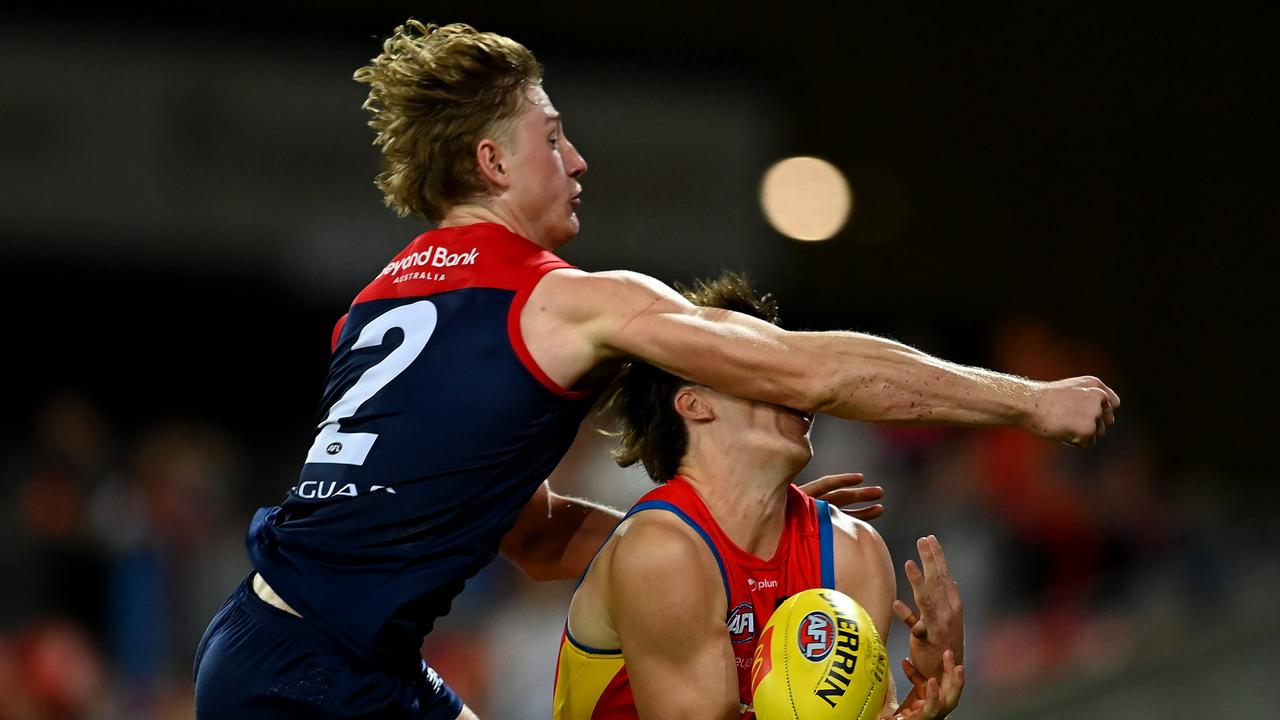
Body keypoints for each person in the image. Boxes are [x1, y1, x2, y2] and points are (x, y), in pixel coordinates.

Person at [192, 20, 1118, 720]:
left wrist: (727, 542)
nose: (577, 159)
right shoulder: (557, 301)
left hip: (303, 651)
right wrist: (1028, 403)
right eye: (553, 138)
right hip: (312, 670)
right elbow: (809, 372)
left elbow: (535, 536)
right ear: (491, 161)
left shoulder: (381, 303)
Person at [553, 274, 964, 720]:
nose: (800, 386)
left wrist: (916, 707)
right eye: (763, 369)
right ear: (693, 404)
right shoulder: (662, 551)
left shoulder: (853, 551)